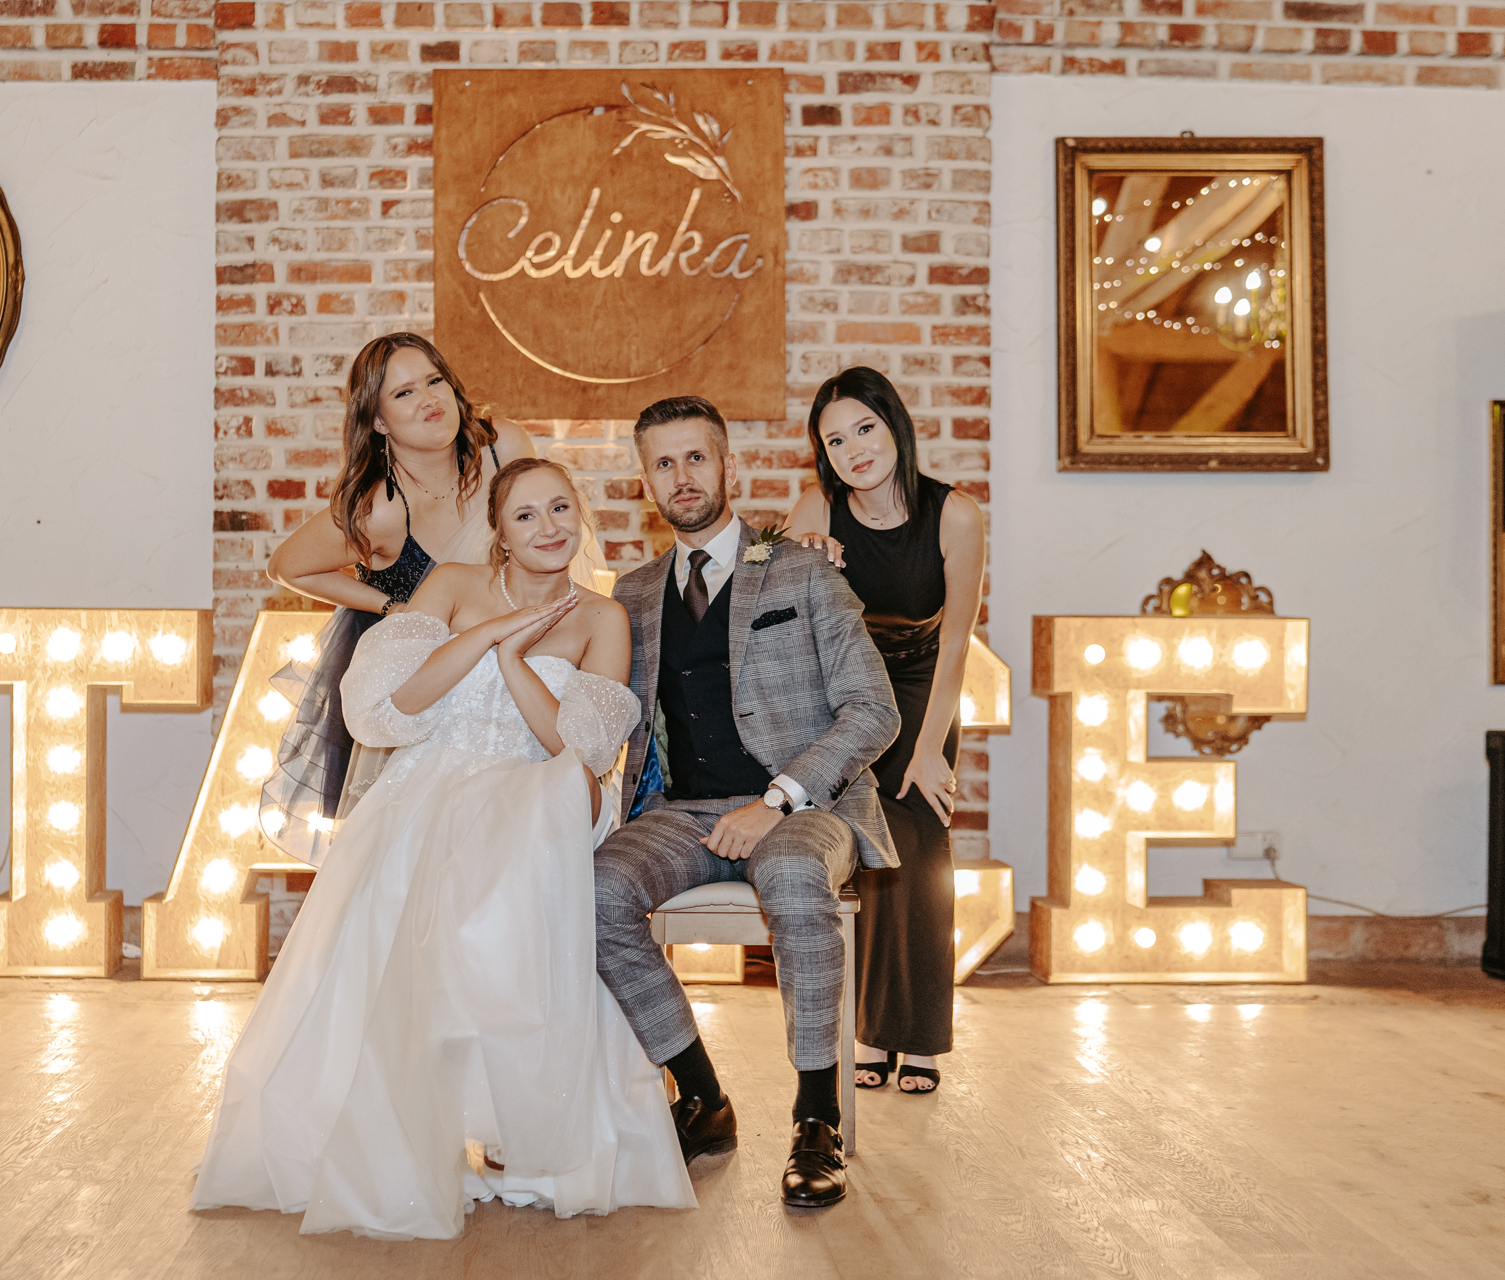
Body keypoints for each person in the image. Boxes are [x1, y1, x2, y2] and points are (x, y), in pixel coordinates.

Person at [195, 458, 696, 1238]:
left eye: (560, 509)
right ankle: (406, 1136)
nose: (548, 528)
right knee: (422, 875)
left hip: (537, 788)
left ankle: (524, 1133)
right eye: (526, 515)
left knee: (522, 838)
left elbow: (579, 749)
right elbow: (390, 706)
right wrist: (489, 634)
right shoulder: (454, 586)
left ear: (580, 516)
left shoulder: (603, 617)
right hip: (433, 781)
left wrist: (513, 663)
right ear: (499, 532)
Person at [593, 396, 900, 1211]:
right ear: (646, 483)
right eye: (663, 463)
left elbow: (874, 709)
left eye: (696, 457)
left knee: (796, 877)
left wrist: (778, 798)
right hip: (680, 813)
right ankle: (702, 1097)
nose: (682, 477)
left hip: (803, 809)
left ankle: (816, 1119)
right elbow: (608, 714)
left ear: (729, 466)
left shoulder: (802, 568)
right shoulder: (632, 592)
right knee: (592, 891)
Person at [258, 333, 599, 863]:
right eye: (404, 393)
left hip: (520, 665)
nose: (429, 400)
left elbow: (544, 546)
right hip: (431, 690)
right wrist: (389, 606)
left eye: (435, 381)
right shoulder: (381, 508)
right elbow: (287, 566)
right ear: (378, 421)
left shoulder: (504, 447)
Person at [785, 367, 986, 1096]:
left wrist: (930, 749)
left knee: (922, 850)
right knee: (864, 854)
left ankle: (920, 1039)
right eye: (835, 440)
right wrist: (803, 556)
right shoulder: (817, 507)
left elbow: (957, 640)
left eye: (865, 429)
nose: (854, 450)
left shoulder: (954, 514)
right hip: (848, 691)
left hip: (924, 686)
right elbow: (780, 604)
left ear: (894, 425)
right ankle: (871, 1031)